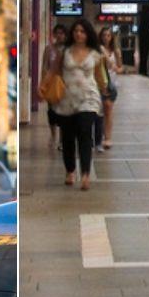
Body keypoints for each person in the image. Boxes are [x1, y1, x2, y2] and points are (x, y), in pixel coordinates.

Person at [52, 20, 108, 190]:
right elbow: (54, 71)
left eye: (82, 31)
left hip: (89, 99)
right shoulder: (64, 52)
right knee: (68, 137)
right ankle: (70, 170)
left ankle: (85, 174)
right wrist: (43, 86)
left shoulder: (96, 54)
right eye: (76, 31)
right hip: (67, 100)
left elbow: (100, 76)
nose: (78, 34)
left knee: (85, 134)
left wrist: (105, 91)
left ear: (88, 34)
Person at [39, 24, 68, 147]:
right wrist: (43, 84)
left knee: (63, 112)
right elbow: (45, 66)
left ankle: (62, 138)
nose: (59, 35)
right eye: (57, 33)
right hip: (51, 83)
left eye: (62, 33)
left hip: (65, 84)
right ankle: (53, 134)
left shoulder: (68, 49)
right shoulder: (49, 49)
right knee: (51, 111)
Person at [98, 26, 123, 150]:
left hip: (111, 85)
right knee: (98, 112)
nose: (106, 38)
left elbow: (120, 67)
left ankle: (107, 138)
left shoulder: (116, 51)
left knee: (108, 109)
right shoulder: (97, 50)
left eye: (108, 35)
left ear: (111, 37)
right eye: (103, 35)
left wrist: (116, 69)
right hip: (98, 84)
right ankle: (98, 136)